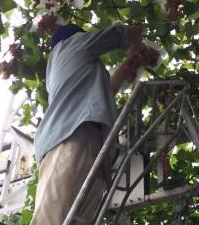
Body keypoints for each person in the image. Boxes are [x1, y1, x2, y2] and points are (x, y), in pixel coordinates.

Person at [31, 23, 158, 225]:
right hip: (73, 136)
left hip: (81, 138)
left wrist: (127, 64)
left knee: (74, 218)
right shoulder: (73, 44)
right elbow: (130, 32)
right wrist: (136, 47)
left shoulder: (63, 67)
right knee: (54, 217)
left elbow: (102, 94)